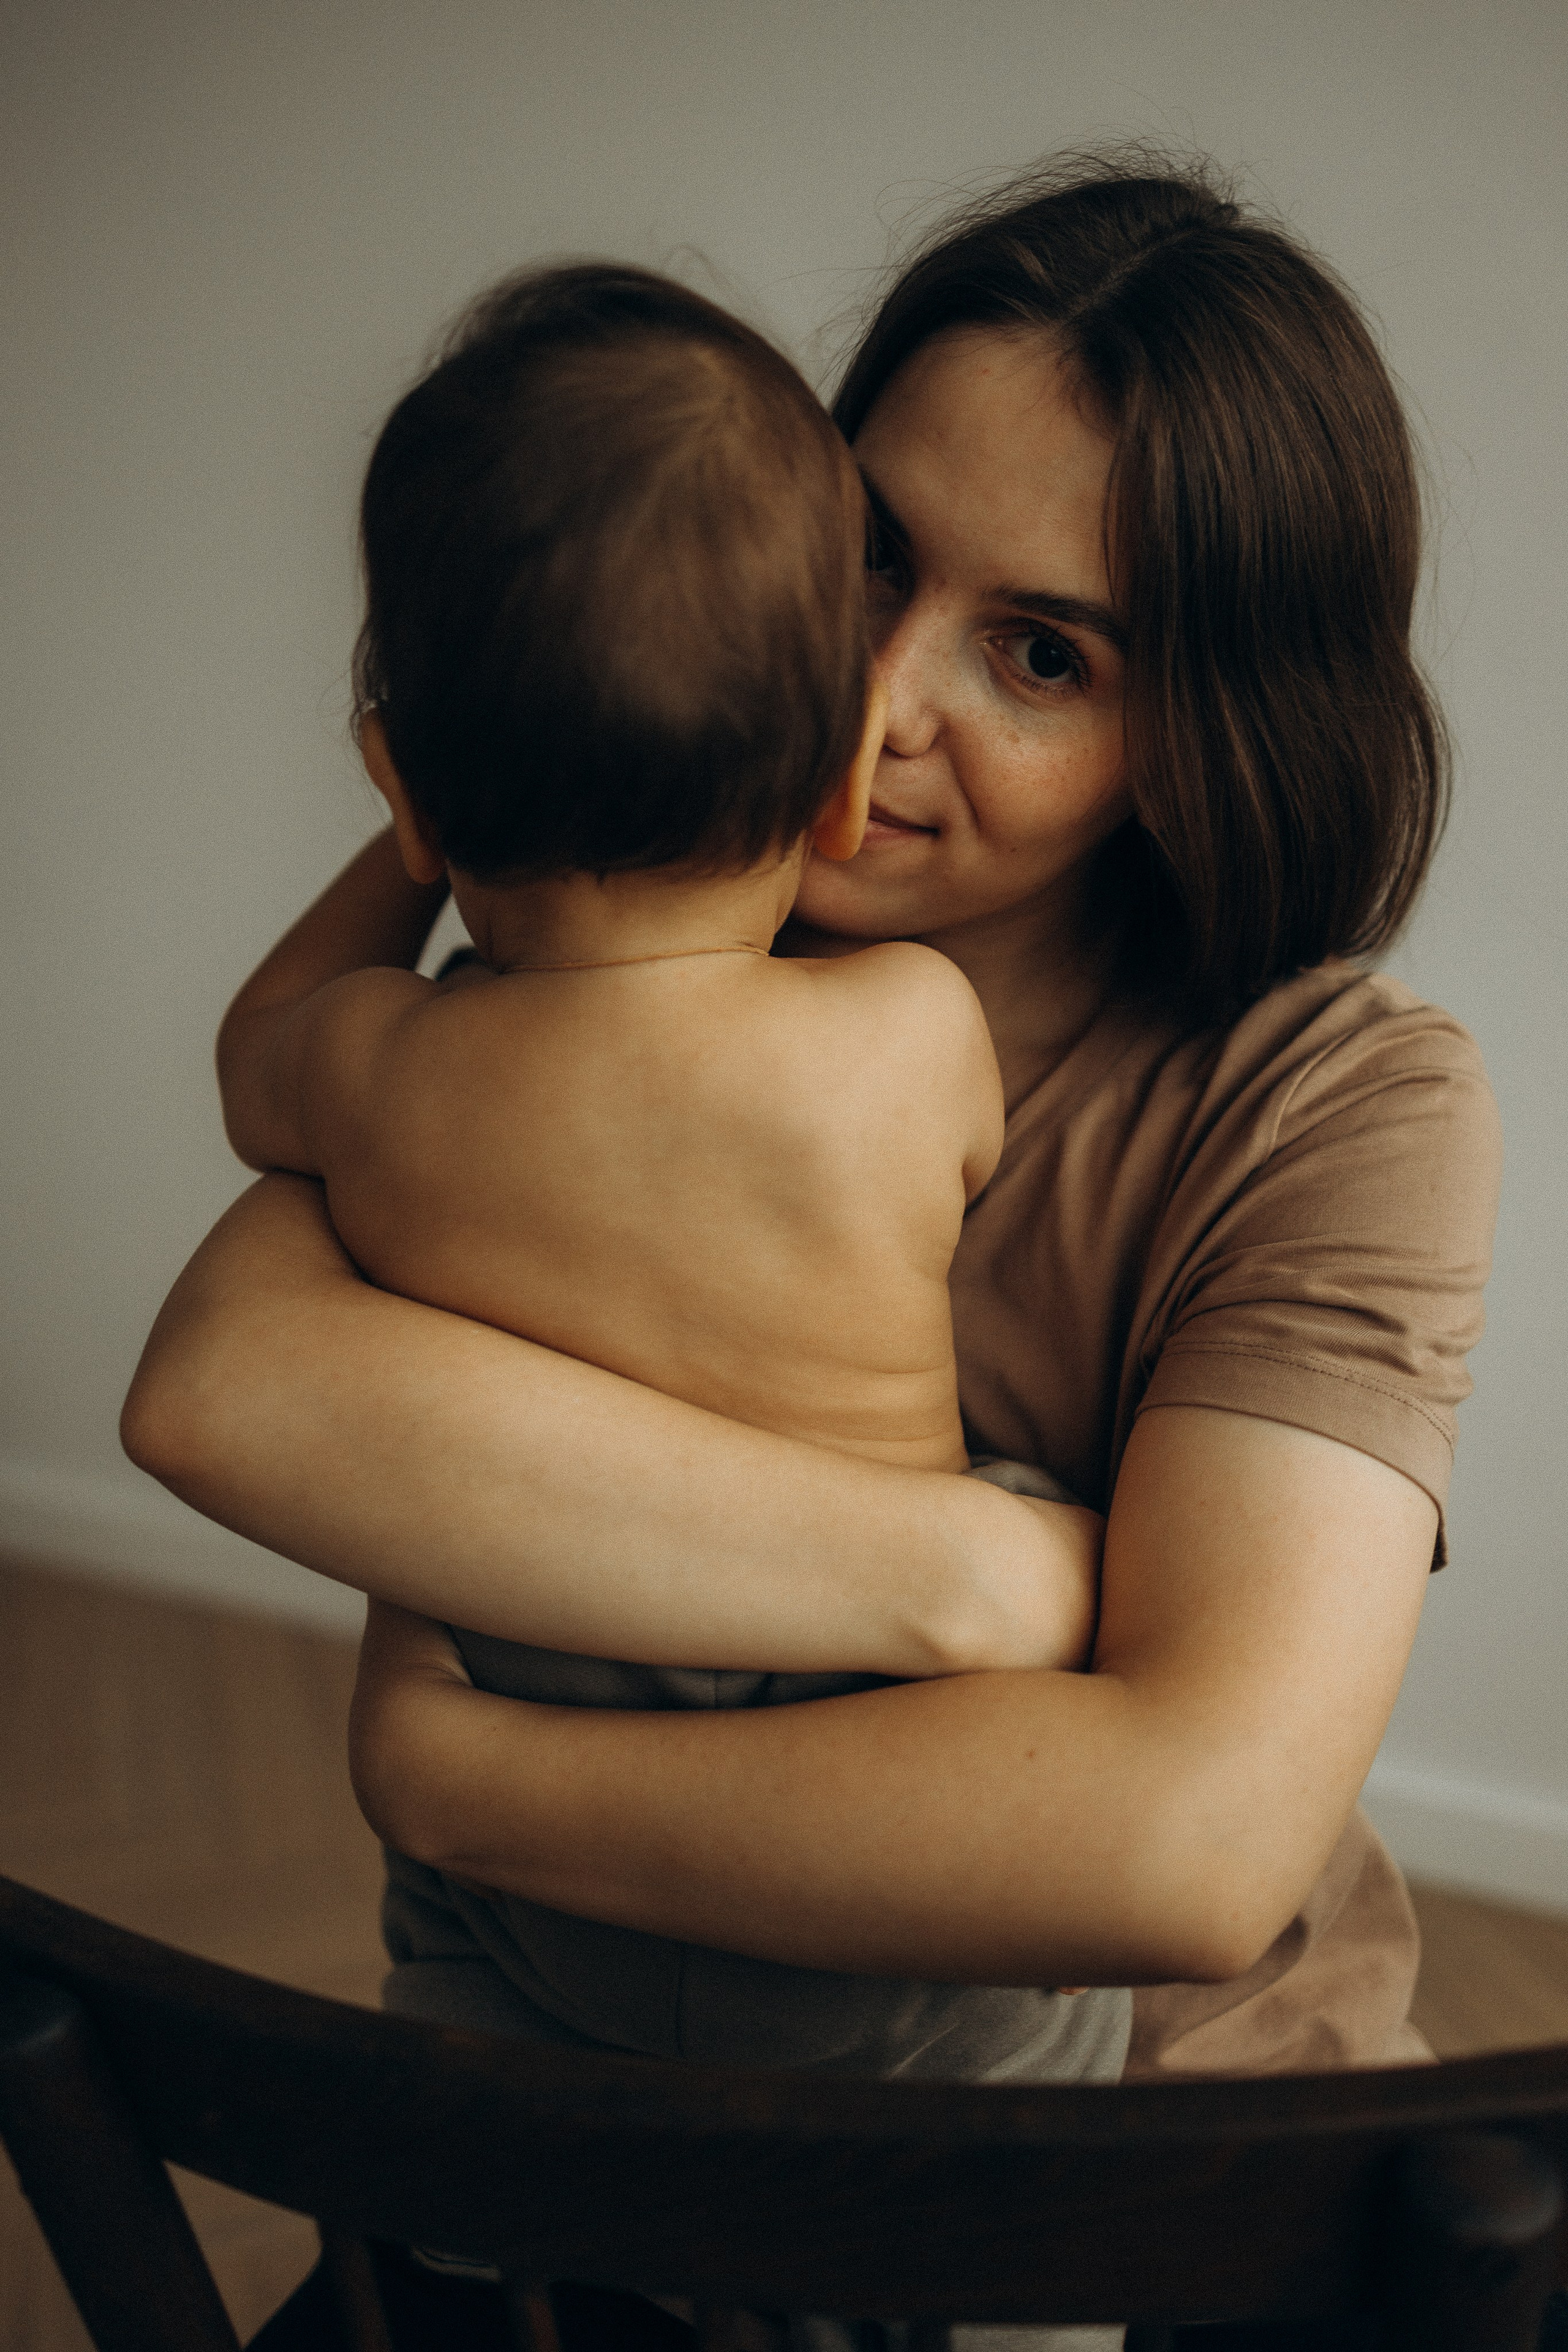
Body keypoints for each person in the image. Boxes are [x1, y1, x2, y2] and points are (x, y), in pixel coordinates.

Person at [124, 150, 1502, 2337]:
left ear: (1198, 741)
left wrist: (460, 1775)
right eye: (862, 552)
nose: (868, 703)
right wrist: (976, 1581)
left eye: (1037, 654)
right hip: (612, 2112)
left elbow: (1178, 1851)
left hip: (1140, 2157)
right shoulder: (596, 905)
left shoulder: (1339, 1101)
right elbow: (220, 1391)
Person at [212, 259, 1123, 2101]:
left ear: (404, 783)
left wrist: (419, 828)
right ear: (837, 788)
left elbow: (256, 1053)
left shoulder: (384, 1073)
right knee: (1063, 2042)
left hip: (553, 1793)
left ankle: (481, 2239)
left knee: (454, 1959)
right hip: (875, 1827)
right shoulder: (906, 1038)